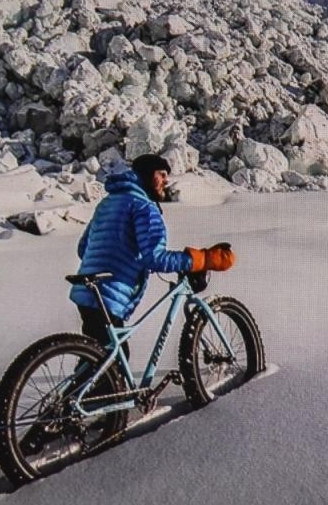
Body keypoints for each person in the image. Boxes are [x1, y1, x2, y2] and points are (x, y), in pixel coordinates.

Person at [69, 152, 235, 356]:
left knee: (97, 359)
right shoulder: (144, 207)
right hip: (110, 294)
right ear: (147, 175)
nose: (166, 181)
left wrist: (120, 257)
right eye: (161, 174)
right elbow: (155, 258)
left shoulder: (109, 202)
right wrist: (203, 259)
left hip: (86, 291)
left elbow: (83, 248)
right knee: (114, 361)